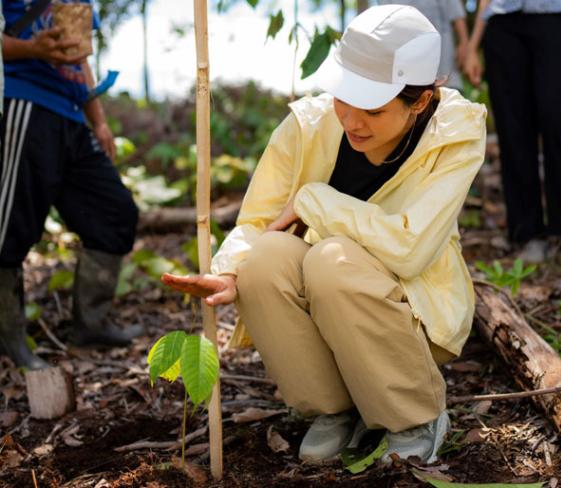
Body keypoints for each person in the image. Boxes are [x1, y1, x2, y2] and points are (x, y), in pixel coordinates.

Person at [162, 5, 487, 464]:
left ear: (419, 101)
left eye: (372, 109)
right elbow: (257, 222)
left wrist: (315, 200)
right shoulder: (309, 124)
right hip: (328, 308)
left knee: (332, 258)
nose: (352, 121)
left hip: (411, 312)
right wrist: (229, 270)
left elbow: (409, 250)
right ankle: (334, 407)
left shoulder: (454, 131)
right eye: (343, 99)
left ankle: (413, 413)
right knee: (265, 257)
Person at [0, 0, 141, 370]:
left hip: (71, 114)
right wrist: (32, 49)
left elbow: (79, 58)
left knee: (115, 213)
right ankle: (11, 339)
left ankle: (91, 325)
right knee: (10, 228)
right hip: (23, 100)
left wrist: (98, 120)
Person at [464, 0, 561, 264]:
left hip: (558, 19)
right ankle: (527, 233)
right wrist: (473, 45)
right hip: (502, 24)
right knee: (513, 129)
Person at [377, 0, 469, 90]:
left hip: (444, 62)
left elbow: (456, 13)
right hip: (408, 67)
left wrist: (464, 44)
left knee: (448, 96)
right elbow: (385, 21)